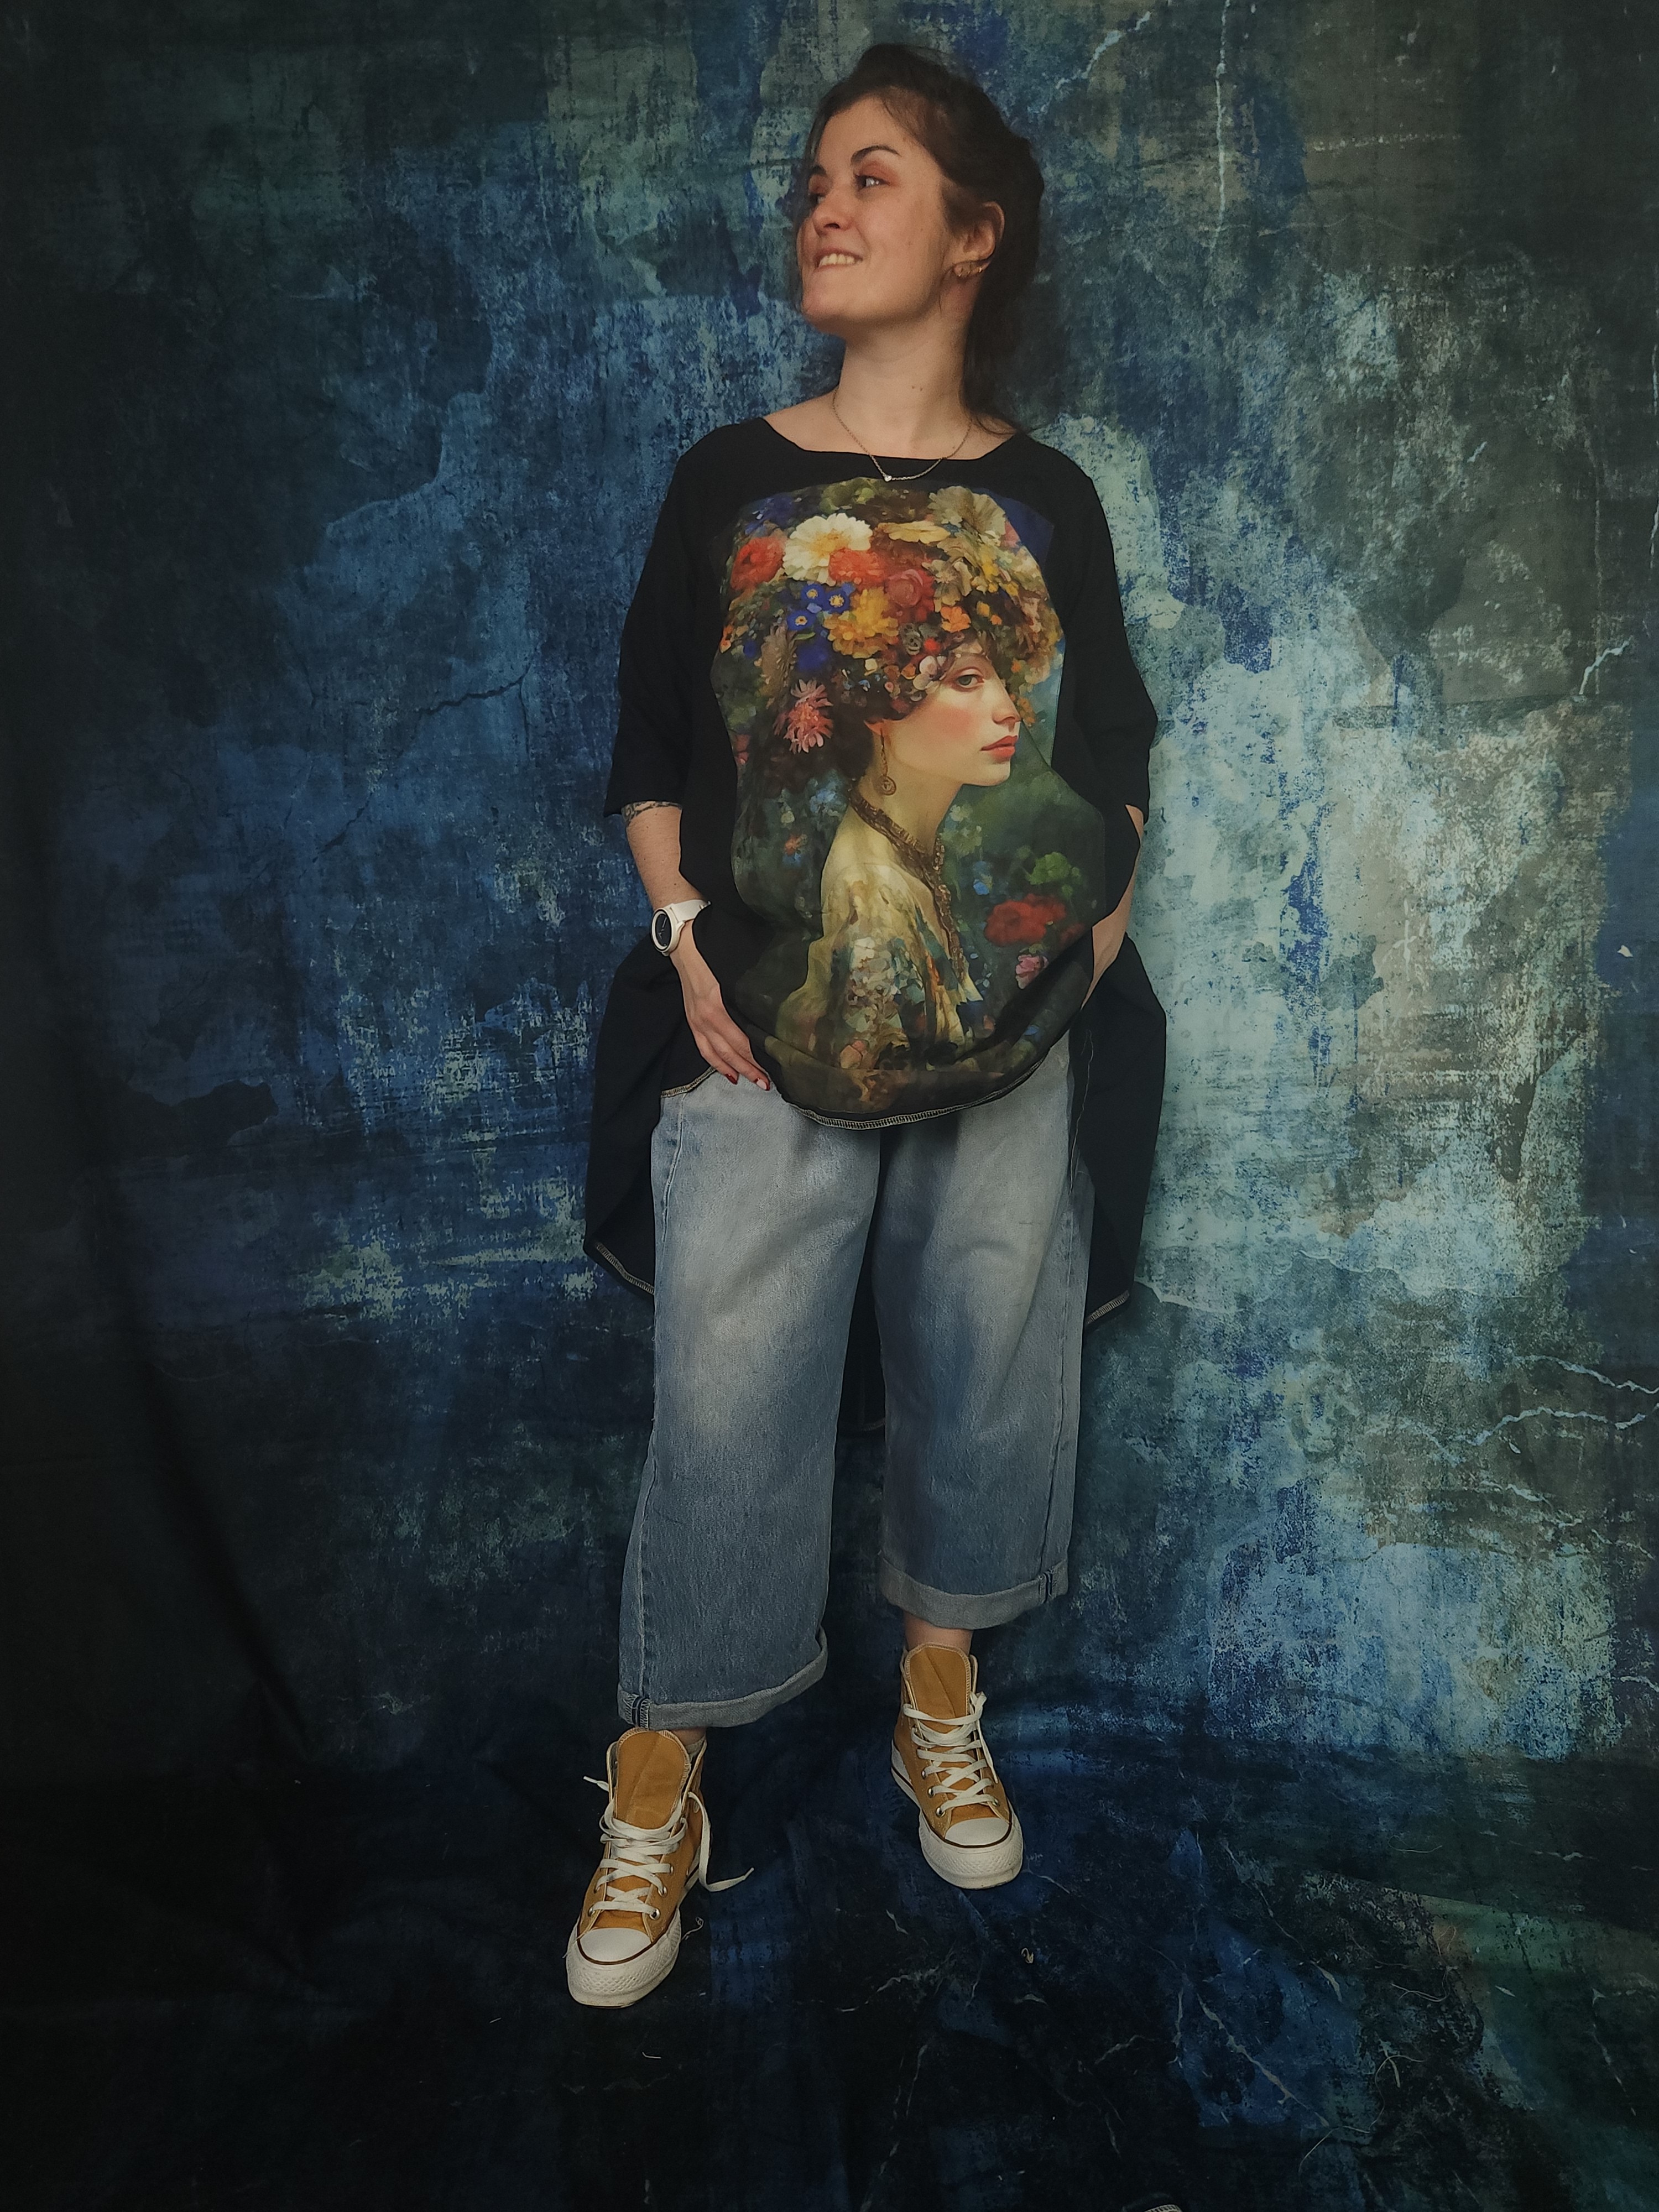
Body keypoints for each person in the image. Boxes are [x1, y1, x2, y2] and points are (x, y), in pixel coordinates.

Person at [571, 41, 1164, 2010]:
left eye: (874, 176)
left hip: (1009, 1056)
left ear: (973, 237)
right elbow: (652, 747)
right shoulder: (726, 481)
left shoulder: (1050, 500)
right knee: (729, 1398)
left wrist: (1085, 949)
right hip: (766, 1037)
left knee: (983, 1367)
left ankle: (939, 1697)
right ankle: (661, 1774)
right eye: (815, 180)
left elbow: (1115, 757)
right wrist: (687, 943)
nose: (824, 208)